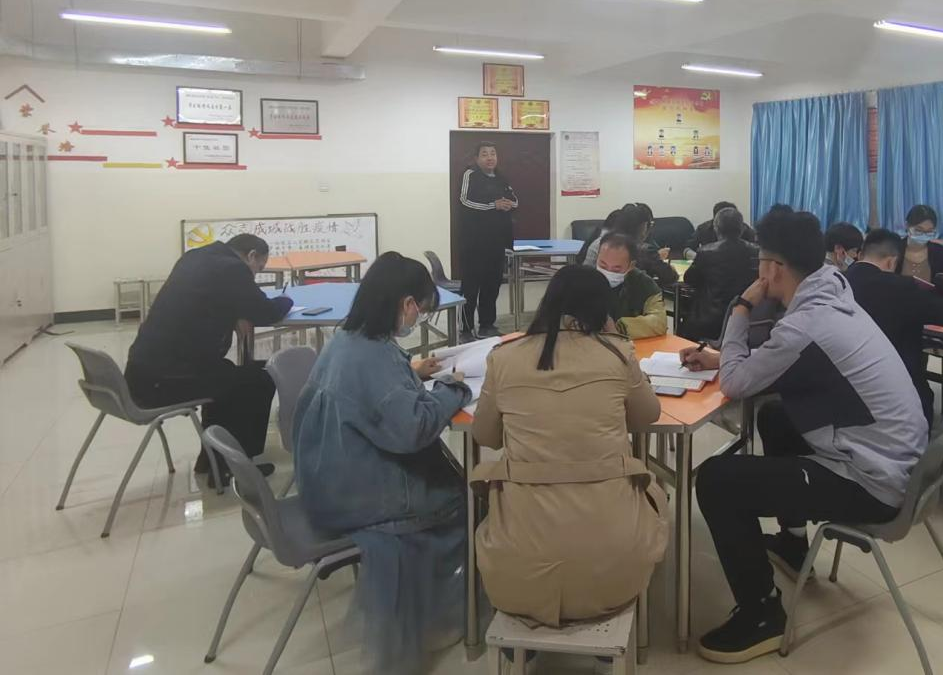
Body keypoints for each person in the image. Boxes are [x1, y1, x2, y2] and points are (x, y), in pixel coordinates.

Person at [680, 207, 926, 664]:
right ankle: (793, 544)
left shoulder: (806, 322)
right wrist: (722, 357)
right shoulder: (834, 291)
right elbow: (786, 350)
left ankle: (761, 615)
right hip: (897, 456)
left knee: (716, 479)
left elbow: (737, 382)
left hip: (872, 481)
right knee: (776, 418)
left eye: (761, 263)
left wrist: (742, 307)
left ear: (773, 267)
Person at [293, 252, 472, 673]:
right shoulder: (372, 358)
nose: (417, 320)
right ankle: (447, 616)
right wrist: (452, 390)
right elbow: (412, 430)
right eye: (420, 311)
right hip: (360, 494)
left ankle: (436, 609)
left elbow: (378, 394)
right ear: (407, 303)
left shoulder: (349, 338)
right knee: (468, 498)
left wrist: (411, 370)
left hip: (329, 476)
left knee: (453, 479)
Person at [471, 266, 668, 626]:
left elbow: (485, 436)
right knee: (658, 492)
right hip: (615, 571)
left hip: (516, 570)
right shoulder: (617, 354)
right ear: (603, 311)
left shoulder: (503, 358)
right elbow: (647, 416)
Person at [125, 233, 292, 476]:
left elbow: (204, 301)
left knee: (230, 375)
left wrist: (235, 313)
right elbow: (266, 311)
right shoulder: (233, 268)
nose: (255, 275)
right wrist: (286, 300)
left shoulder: (195, 257)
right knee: (261, 377)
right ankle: (236, 464)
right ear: (251, 255)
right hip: (163, 382)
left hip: (144, 372)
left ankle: (214, 459)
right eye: (259, 268)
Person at [847, 229, 943, 426]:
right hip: (899, 385)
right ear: (892, 262)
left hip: (850, 381)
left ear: (860, 254)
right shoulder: (902, 287)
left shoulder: (838, 281)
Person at [457, 141, 517, 340]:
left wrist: (508, 204)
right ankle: (465, 329)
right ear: (476, 158)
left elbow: (515, 200)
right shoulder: (470, 175)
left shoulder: (501, 177)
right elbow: (465, 200)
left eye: (493, 153)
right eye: (484, 154)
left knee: (492, 286)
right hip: (473, 243)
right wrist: (493, 205)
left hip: (496, 242)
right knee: (471, 286)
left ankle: (487, 325)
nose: (490, 157)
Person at [681, 207, 759, 340]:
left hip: (711, 321)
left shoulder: (706, 252)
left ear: (716, 229)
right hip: (748, 318)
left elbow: (689, 278)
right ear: (742, 228)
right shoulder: (756, 251)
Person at [594, 233, 668, 338]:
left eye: (616, 269)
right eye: (603, 265)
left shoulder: (643, 283)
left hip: (631, 344)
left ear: (631, 265)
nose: (608, 271)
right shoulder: (583, 279)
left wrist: (620, 327)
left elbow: (659, 322)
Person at [894, 204, 943, 284]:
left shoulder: (940, 252)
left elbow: (941, 282)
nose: (924, 235)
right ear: (907, 226)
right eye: (919, 230)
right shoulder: (894, 249)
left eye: (929, 231)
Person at [687, 200, 757, 253]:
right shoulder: (703, 229)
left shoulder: (745, 229)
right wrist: (695, 256)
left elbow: (757, 247)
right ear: (715, 220)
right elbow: (688, 247)